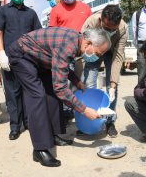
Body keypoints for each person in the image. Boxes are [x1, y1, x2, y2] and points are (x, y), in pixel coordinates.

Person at [7, 27, 111, 167]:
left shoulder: (76, 43)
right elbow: (61, 88)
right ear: (87, 43)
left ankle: (53, 135)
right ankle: (40, 149)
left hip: (41, 58)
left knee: (51, 93)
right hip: (22, 55)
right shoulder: (68, 45)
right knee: (37, 95)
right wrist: (85, 110)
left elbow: (60, 65)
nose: (98, 57)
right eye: (98, 53)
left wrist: (76, 81)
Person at [0, 0, 42, 140]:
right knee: (13, 94)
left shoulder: (31, 13)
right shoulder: (3, 11)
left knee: (29, 93)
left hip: (28, 60)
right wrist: (2, 54)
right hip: (9, 60)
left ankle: (29, 122)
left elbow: (38, 36)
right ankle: (15, 126)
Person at [81, 4, 128, 137]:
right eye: (107, 28)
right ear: (101, 20)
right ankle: (89, 119)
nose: (110, 31)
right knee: (89, 83)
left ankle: (109, 122)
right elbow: (83, 46)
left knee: (111, 86)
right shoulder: (91, 22)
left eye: (113, 29)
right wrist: (89, 57)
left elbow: (118, 57)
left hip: (111, 53)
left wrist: (113, 84)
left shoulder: (123, 28)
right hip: (94, 50)